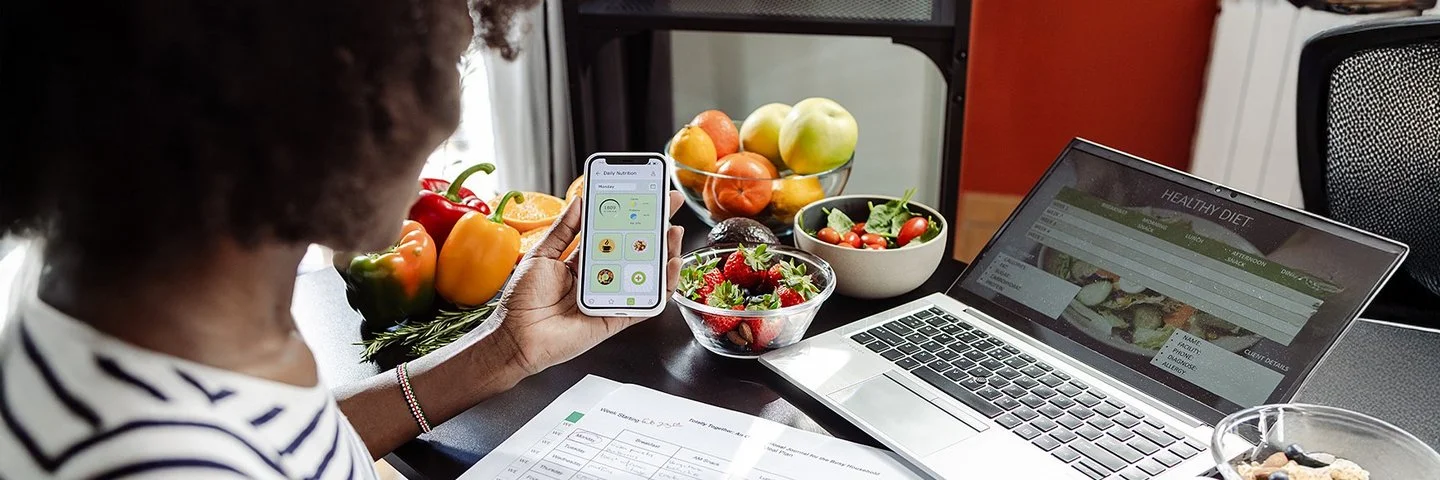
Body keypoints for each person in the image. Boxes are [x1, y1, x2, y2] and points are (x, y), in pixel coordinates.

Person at [0, 1, 684, 478]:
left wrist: (506, 349)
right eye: (434, 63)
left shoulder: (158, 307)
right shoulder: (158, 462)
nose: (444, 119)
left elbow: (286, 449)